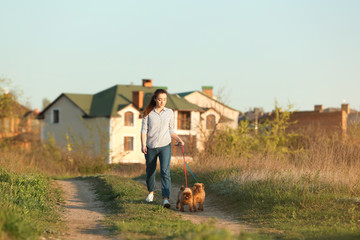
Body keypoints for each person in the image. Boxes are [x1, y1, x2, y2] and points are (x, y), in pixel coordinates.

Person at [141, 89, 184, 208]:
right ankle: (151, 193)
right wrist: (143, 144)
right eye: (160, 99)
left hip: (165, 146)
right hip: (150, 146)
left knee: (165, 172)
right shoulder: (148, 113)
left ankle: (166, 199)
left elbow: (171, 130)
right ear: (155, 99)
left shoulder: (170, 112)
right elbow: (144, 130)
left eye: (164, 99)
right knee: (150, 171)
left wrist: (179, 140)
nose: (162, 102)